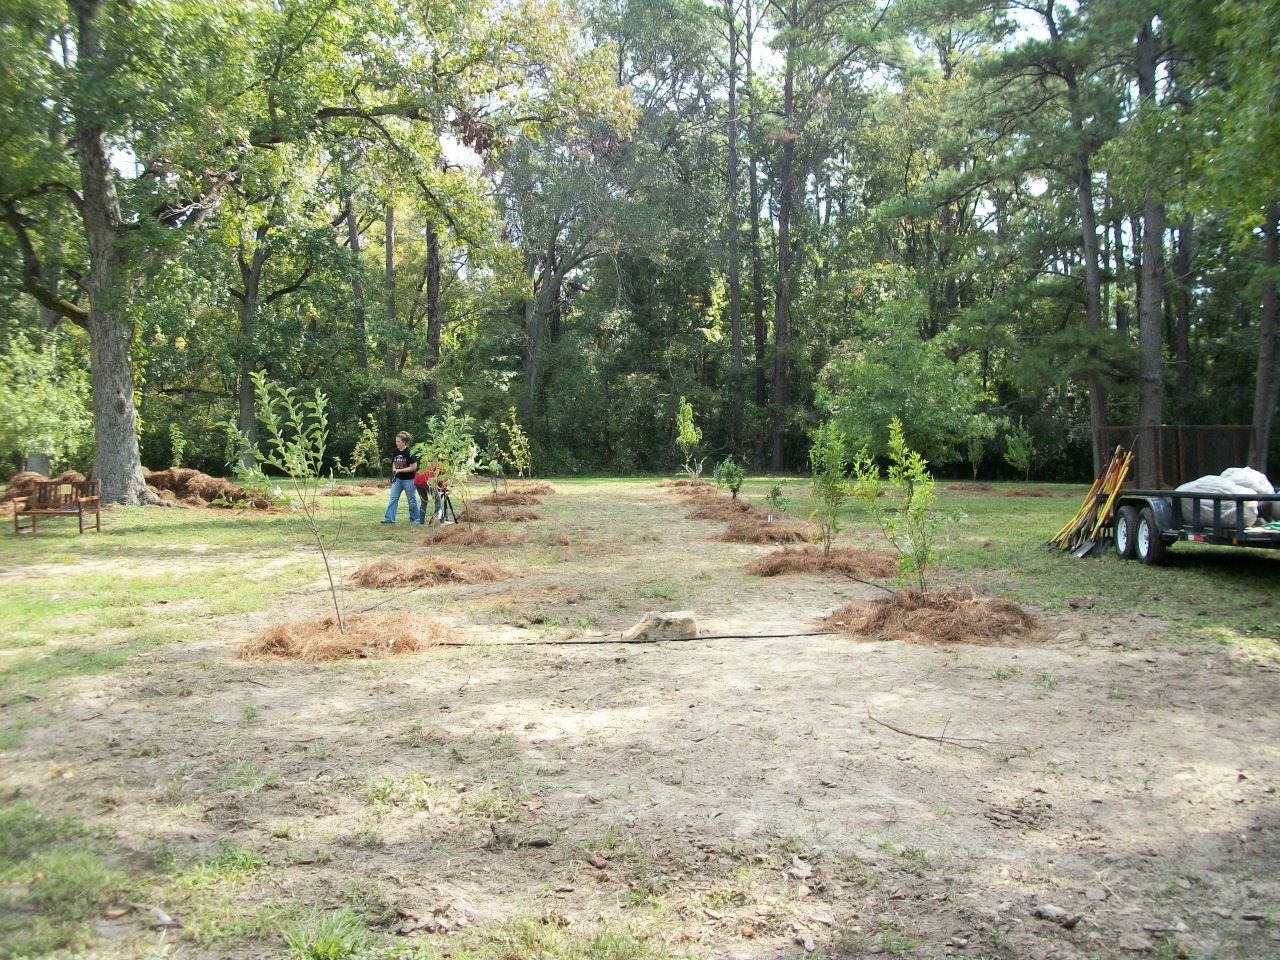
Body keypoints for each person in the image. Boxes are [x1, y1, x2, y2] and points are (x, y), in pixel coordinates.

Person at [381, 431, 420, 524]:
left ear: (404, 442)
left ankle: (415, 519)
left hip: (409, 480)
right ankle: (389, 520)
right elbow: (394, 463)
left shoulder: (410, 452)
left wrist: (400, 470)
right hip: (398, 480)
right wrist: (394, 470)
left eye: (398, 441)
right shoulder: (395, 452)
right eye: (396, 441)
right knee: (393, 498)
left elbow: (413, 467)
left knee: (412, 500)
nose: (396, 443)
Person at [413, 460, 449, 524]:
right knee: (437, 501)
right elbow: (439, 479)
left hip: (417, 481)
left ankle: (421, 522)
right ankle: (442, 521)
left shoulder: (425, 461)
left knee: (424, 502)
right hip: (427, 480)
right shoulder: (438, 464)